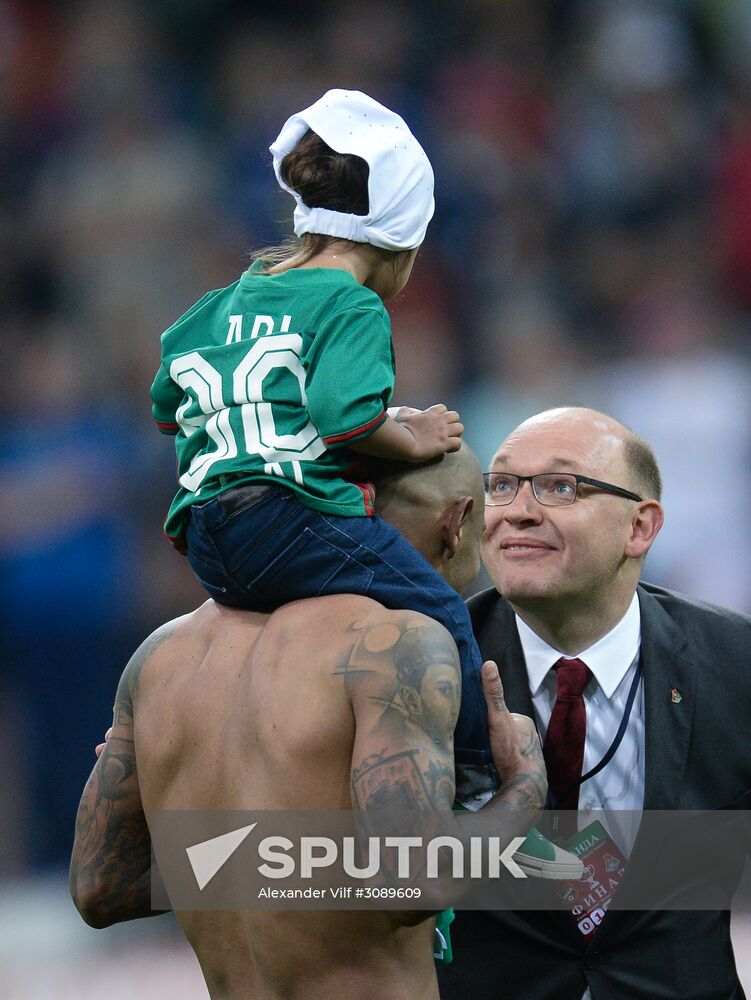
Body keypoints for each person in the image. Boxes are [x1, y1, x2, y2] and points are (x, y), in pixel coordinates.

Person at [69, 446, 548, 1000]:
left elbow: (101, 886)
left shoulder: (161, 656)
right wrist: (523, 787)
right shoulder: (398, 645)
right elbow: (418, 881)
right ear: (456, 523)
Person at [150, 89, 494, 800]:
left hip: (204, 538)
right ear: (400, 237)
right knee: (441, 615)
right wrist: (414, 433)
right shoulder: (351, 303)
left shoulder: (212, 306)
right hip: (287, 521)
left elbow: (166, 406)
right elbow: (345, 420)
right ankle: (477, 782)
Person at [438, 406, 751, 1000]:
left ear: (640, 527)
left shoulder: (735, 661)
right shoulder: (428, 665)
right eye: (502, 484)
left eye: (562, 487)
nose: (519, 511)